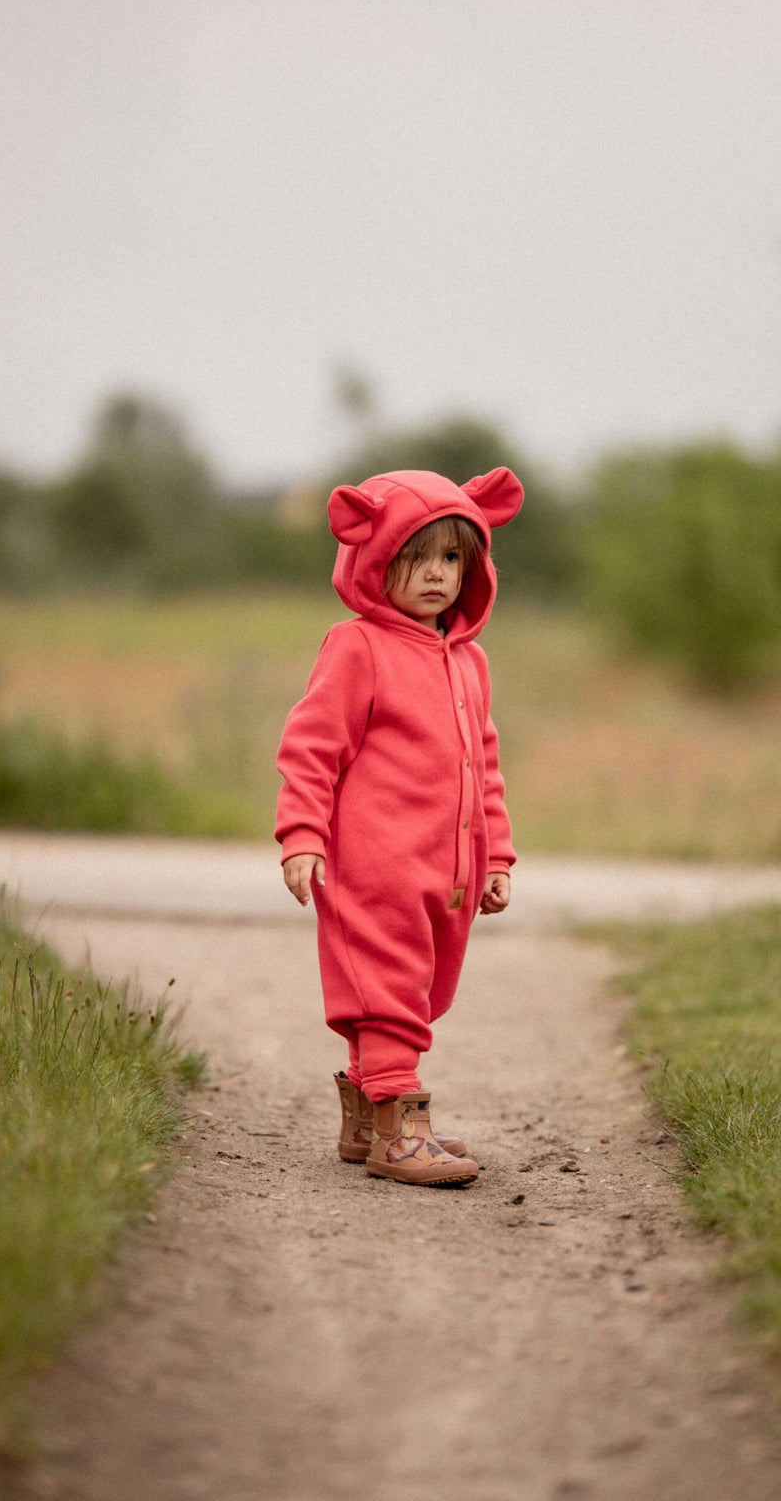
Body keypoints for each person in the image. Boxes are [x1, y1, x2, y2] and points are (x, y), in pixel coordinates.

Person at [275, 465, 524, 1186]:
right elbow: (312, 746)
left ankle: (366, 1117)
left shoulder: (469, 661)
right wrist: (301, 835)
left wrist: (496, 857)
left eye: (451, 557)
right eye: (414, 558)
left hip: (443, 871)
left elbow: (483, 763)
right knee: (388, 990)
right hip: (373, 865)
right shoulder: (357, 646)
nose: (436, 574)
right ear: (374, 561)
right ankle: (399, 1130)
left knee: (415, 988)